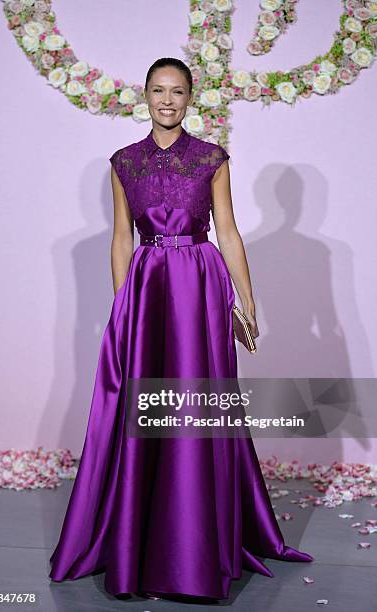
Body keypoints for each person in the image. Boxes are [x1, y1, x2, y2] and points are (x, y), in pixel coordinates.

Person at [48, 57, 313, 603]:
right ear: (144, 95)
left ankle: (196, 544)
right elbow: (122, 237)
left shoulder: (211, 158)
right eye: (157, 91)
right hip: (146, 289)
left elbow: (230, 232)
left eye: (177, 92)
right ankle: (140, 538)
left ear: (191, 98)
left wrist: (247, 298)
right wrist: (124, 305)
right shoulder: (124, 162)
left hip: (199, 283)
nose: (167, 100)